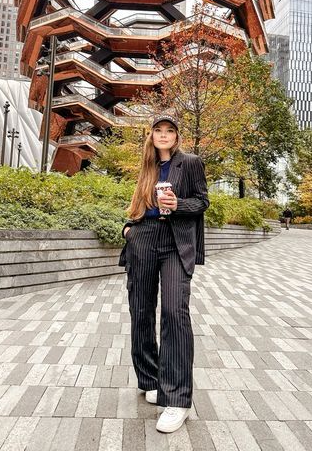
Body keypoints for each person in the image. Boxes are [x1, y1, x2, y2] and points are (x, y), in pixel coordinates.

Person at [118, 113, 209, 433]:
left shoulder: (191, 163)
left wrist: (177, 203)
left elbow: (202, 202)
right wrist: (129, 227)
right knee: (140, 311)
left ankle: (178, 400)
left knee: (174, 311)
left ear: (177, 136)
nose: (164, 135)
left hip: (174, 240)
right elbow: (138, 200)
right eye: (159, 130)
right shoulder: (147, 165)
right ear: (152, 135)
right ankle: (150, 378)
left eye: (170, 131)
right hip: (143, 237)